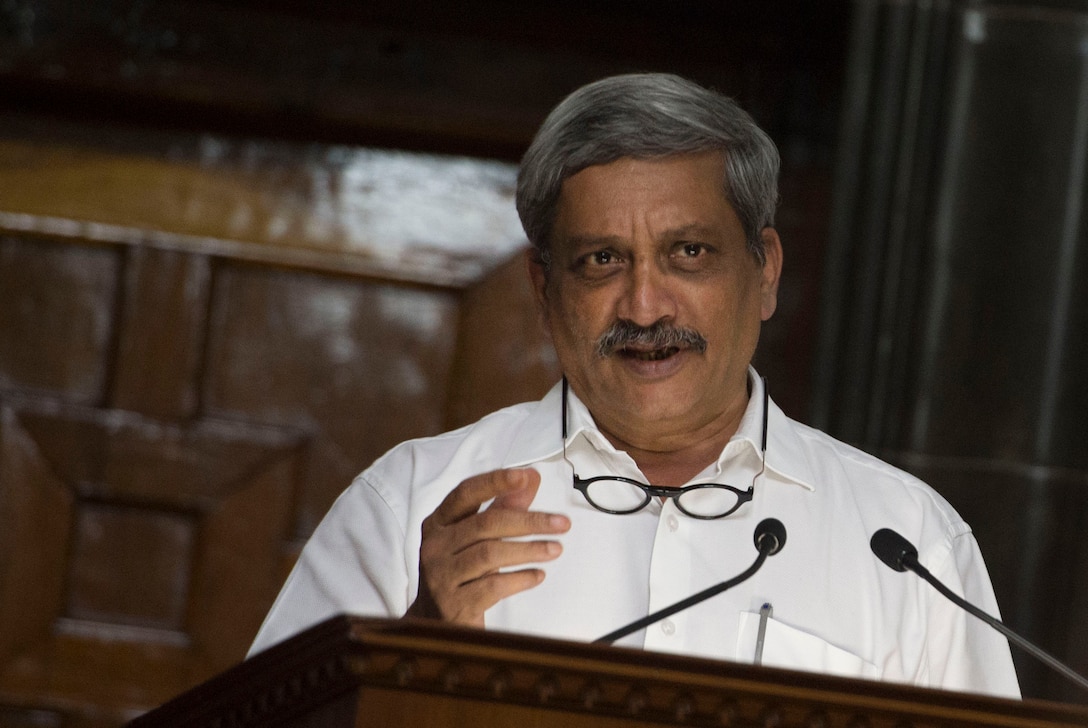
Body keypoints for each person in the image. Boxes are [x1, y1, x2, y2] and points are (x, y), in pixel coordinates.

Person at [247, 73, 1020, 698]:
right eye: (602, 261)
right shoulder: (413, 503)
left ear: (766, 273)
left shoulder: (909, 544)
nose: (645, 306)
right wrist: (413, 646)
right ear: (545, 292)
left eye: (688, 252)